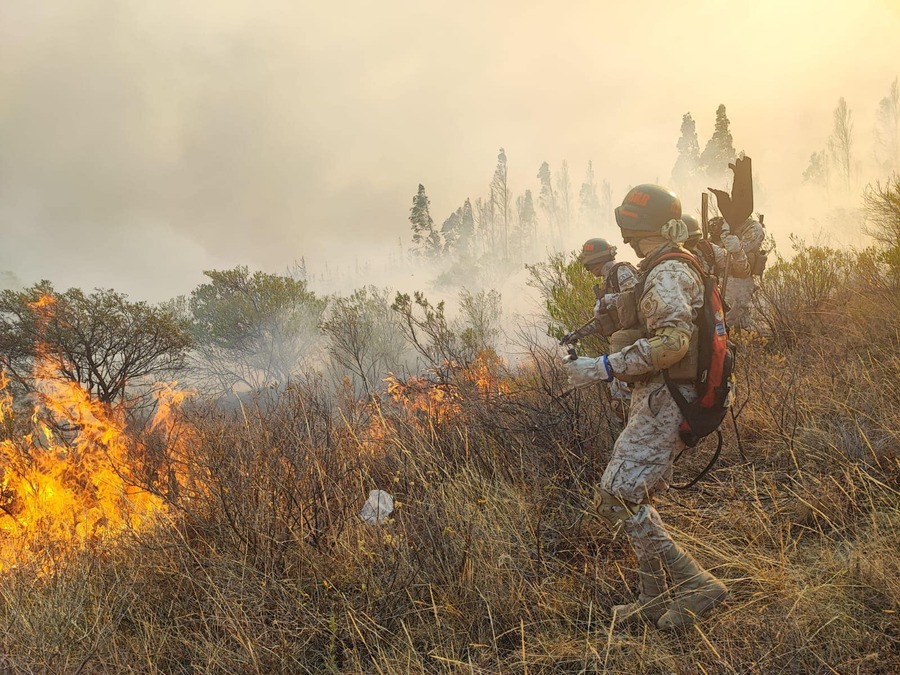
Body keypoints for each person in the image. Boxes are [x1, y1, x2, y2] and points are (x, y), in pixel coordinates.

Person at [563, 185, 728, 630]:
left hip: (668, 400)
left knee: (617, 495)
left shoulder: (666, 273)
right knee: (638, 494)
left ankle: (696, 583)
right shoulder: (666, 265)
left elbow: (673, 343)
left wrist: (603, 366)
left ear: (635, 226)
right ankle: (652, 598)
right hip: (663, 396)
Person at [559, 238, 638, 346]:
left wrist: (606, 299)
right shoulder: (608, 281)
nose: (588, 269)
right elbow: (601, 320)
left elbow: (635, 296)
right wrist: (578, 333)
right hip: (627, 339)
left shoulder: (621, 270)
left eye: (588, 265)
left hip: (637, 337)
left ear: (596, 261)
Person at [708, 215, 767, 329]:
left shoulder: (753, 228)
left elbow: (739, 250)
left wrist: (725, 236)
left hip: (739, 280)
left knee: (733, 319)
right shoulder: (722, 225)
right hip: (721, 279)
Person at [682, 214, 751, 280]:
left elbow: (741, 271)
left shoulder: (707, 249)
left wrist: (737, 252)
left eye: (693, 240)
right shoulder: (673, 257)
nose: (690, 246)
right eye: (685, 242)